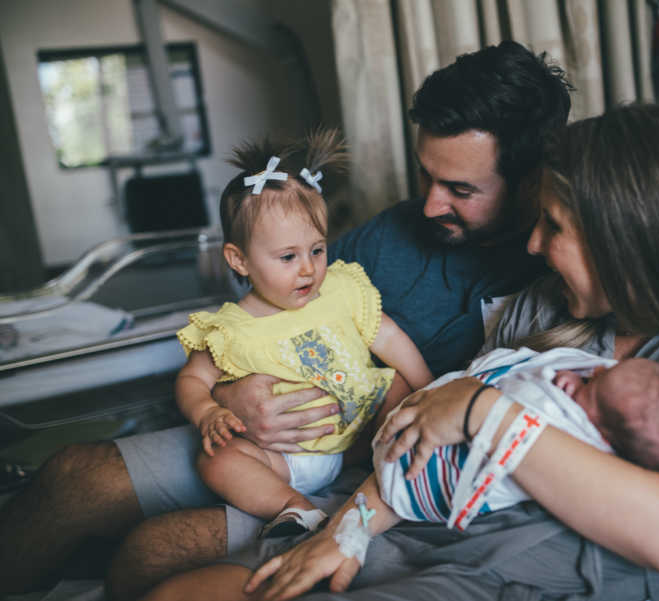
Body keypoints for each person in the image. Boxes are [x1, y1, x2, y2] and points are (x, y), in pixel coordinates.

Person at [140, 103, 659, 601]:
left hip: (511, 570)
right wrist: (346, 528)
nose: (532, 247)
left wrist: (483, 410)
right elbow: (425, 431)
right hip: (413, 527)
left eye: (554, 227)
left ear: (628, 237)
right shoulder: (547, 307)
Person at [0, 40, 571, 599]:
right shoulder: (393, 233)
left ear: (529, 179)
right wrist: (230, 394)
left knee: (152, 551)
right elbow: (274, 290)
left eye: (460, 189)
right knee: (72, 476)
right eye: (426, 176)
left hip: (372, 474)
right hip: (261, 438)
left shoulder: (557, 279)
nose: (428, 204)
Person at [176, 132, 432, 538]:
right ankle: (295, 507)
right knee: (216, 460)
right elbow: (192, 379)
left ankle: (382, 471)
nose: (309, 269)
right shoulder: (230, 328)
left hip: (360, 436)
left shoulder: (340, 290)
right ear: (238, 259)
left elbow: (389, 337)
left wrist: (431, 390)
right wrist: (207, 412)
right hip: (288, 458)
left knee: (399, 383)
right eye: (288, 257)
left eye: (317, 249)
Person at [374, 347, 659, 529]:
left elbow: (525, 402)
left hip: (431, 481)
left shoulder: (579, 445)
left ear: (604, 438)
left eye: (587, 390)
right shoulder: (612, 391)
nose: (580, 378)